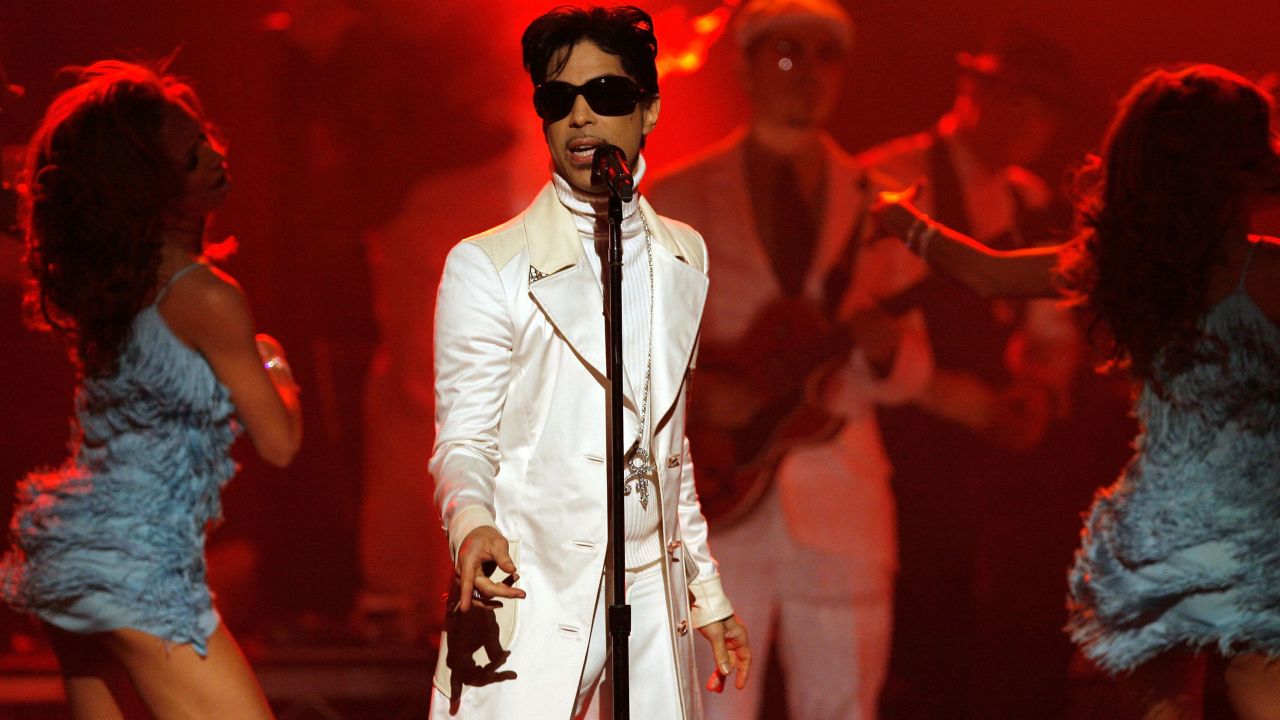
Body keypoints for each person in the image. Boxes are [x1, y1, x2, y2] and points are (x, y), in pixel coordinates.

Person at [874, 63, 1280, 720]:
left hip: (1165, 523)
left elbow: (985, 274)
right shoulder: (1267, 271)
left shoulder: (1122, 265)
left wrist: (901, 220)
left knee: (1162, 702)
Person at [427, 6, 749, 719]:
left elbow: (669, 451)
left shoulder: (682, 255)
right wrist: (472, 524)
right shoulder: (489, 265)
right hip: (533, 589)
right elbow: (463, 440)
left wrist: (705, 594)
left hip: (649, 599)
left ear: (649, 110)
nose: (580, 117)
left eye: (605, 95)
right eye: (557, 99)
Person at [648, 2, 932, 718]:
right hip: (711, 495)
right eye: (786, 54)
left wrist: (888, 350)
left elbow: (915, 369)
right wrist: (697, 398)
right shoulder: (674, 197)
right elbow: (619, 353)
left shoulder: (882, 204)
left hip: (842, 504)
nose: (807, 74)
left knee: (840, 707)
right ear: (742, 65)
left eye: (824, 56)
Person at [0, 60, 302, 719]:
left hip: (72, 554)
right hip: (137, 572)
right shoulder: (206, 296)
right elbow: (279, 443)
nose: (217, 156)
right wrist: (274, 363)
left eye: (206, 138)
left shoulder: (112, 287)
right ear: (149, 187)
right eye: (194, 157)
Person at [854, 27, 1086, 717]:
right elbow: (856, 318)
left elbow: (1053, 325)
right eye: (1020, 102)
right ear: (974, 91)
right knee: (928, 629)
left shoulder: (1033, 201)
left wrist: (1039, 389)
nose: (1034, 124)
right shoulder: (890, 178)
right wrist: (942, 394)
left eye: (1048, 111)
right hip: (907, 443)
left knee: (1020, 624)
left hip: (999, 448)